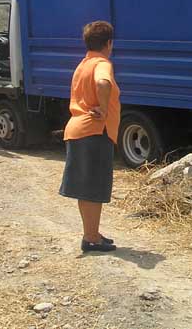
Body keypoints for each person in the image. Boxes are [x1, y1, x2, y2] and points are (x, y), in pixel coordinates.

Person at [59, 20, 121, 252]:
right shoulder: (102, 63)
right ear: (109, 43)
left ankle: (91, 234)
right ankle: (91, 238)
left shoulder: (82, 65)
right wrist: (104, 110)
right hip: (94, 131)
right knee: (94, 188)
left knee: (87, 188)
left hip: (77, 129)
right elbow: (103, 83)